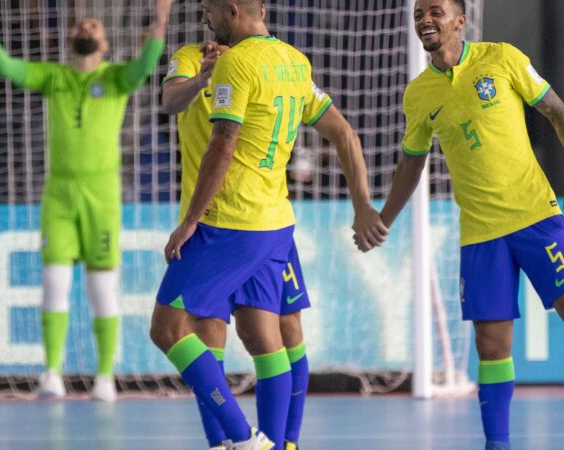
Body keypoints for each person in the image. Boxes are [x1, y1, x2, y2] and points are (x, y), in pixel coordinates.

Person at [374, 1, 564, 449]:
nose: (425, 18)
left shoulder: (502, 58)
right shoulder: (418, 94)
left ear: (460, 20)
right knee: (491, 345)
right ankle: (497, 445)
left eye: (436, 11)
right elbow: (411, 162)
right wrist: (384, 218)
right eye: (419, 12)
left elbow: (558, 112)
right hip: (481, 235)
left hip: (536, 217)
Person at [148, 0, 387, 448]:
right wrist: (203, 76)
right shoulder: (281, 61)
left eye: (209, 9)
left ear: (233, 11)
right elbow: (170, 99)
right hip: (271, 222)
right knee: (246, 334)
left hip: (226, 219)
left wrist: (189, 222)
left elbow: (224, 143)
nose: (204, 17)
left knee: (179, 329)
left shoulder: (240, 64)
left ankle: (253, 441)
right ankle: (250, 443)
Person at [0, 0, 172, 402]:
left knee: (102, 287)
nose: (87, 27)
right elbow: (8, 67)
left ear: (106, 43)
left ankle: (105, 377)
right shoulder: (54, 77)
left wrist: (162, 18)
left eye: (94, 25)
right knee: (54, 281)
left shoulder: (116, 79)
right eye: (81, 24)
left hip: (102, 194)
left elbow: (147, 63)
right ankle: (51, 372)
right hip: (58, 192)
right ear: (69, 39)